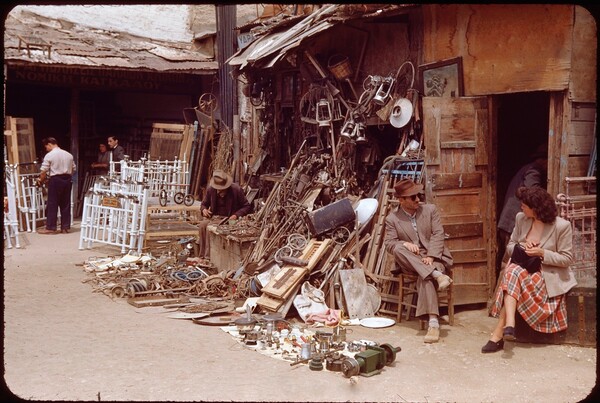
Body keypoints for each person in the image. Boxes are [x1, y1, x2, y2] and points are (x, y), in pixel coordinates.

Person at [481, 186, 577, 353]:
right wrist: (521, 246)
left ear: (536, 208)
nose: (521, 208)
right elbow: (510, 246)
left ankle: (499, 332)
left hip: (545, 274)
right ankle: (509, 324)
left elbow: (567, 259)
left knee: (512, 273)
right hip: (522, 268)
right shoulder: (521, 219)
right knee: (512, 271)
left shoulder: (562, 226)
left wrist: (542, 253)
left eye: (525, 205)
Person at [383, 178, 453, 343]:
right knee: (398, 248)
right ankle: (437, 275)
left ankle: (433, 323)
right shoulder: (392, 219)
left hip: (434, 257)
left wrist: (431, 256)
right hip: (411, 259)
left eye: (418, 195)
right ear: (401, 200)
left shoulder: (430, 210)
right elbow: (389, 244)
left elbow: (438, 234)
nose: (418, 199)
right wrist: (405, 243)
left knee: (424, 276)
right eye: (413, 197)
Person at [497, 145, 548, 276]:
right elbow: (533, 192)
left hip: (508, 221)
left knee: (509, 262)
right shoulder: (534, 170)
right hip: (512, 223)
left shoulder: (527, 168)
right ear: (543, 160)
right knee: (509, 262)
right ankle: (502, 293)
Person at [196, 169, 252, 259]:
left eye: (223, 189)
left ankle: (208, 257)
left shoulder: (236, 190)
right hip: (215, 217)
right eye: (219, 189)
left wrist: (236, 215)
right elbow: (203, 204)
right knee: (202, 225)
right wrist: (204, 210)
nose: (221, 191)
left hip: (230, 219)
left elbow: (247, 206)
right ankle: (202, 255)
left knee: (209, 228)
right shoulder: (211, 190)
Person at [36, 137, 76, 234]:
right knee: (65, 204)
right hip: (67, 179)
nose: (46, 149)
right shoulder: (69, 155)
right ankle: (65, 227)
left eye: (46, 147)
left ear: (50, 144)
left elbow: (43, 171)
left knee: (52, 203)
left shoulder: (49, 155)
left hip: (55, 180)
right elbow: (73, 169)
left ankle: (50, 227)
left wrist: (40, 180)